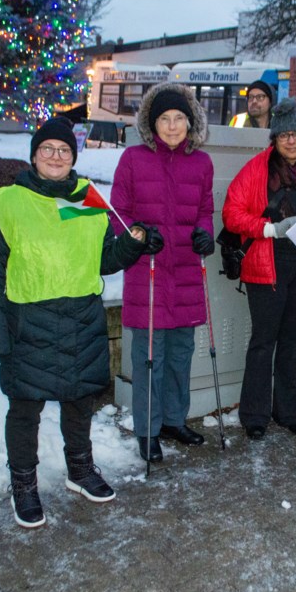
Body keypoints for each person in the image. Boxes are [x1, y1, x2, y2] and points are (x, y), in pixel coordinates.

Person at [0, 116, 151, 528]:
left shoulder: (86, 197)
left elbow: (102, 259)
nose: (56, 157)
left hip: (81, 319)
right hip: (28, 322)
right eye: (47, 150)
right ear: (34, 155)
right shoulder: (8, 201)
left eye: (64, 150)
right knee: (25, 411)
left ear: (73, 157)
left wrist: (130, 246)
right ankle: (23, 484)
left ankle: (80, 470)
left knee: (79, 403)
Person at [223, 97, 296, 440]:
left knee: (292, 342)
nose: (291, 140)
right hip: (266, 265)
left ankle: (288, 411)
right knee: (264, 341)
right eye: (284, 135)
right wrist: (269, 228)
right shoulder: (255, 169)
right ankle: (254, 415)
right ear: (274, 139)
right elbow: (232, 214)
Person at [110, 83, 214, 463]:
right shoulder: (133, 159)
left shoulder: (201, 163)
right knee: (149, 356)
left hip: (185, 269)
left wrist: (205, 235)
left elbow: (205, 209)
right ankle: (147, 430)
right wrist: (139, 235)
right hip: (148, 270)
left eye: (179, 119)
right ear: (153, 124)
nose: (172, 127)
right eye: (165, 120)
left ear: (190, 122)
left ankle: (173, 420)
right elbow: (117, 211)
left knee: (181, 355)